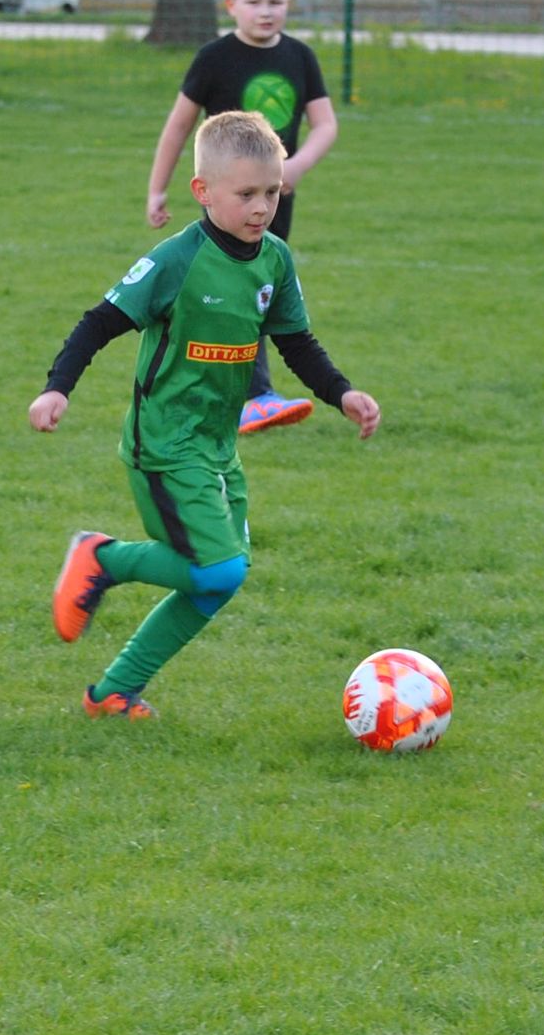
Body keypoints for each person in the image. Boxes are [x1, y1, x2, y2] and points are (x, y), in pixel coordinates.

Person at [33, 112, 379, 719]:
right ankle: (101, 557)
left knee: (220, 578)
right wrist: (57, 388)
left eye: (272, 193)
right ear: (204, 192)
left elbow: (296, 342)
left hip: (218, 445)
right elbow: (99, 321)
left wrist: (342, 393)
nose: (262, 207)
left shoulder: (274, 260)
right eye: (246, 194)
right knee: (217, 570)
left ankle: (114, 692)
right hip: (165, 444)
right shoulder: (176, 260)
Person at [146, 0, 339, 435]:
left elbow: (325, 124)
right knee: (241, 288)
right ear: (232, 5)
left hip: (274, 199)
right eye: (254, 2)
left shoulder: (299, 57)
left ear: (289, 4)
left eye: (275, 2)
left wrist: (295, 166)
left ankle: (230, 390)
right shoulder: (215, 58)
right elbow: (178, 126)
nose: (265, 11)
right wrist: (157, 189)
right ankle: (253, 395)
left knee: (257, 286)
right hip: (227, 201)